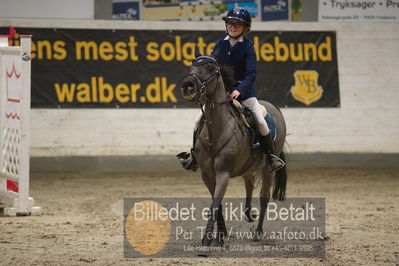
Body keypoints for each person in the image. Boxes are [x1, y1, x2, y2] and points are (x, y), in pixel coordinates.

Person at [177, 7, 284, 172]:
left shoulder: (248, 46)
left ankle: (270, 157)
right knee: (198, 120)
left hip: (244, 92)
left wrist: (239, 90)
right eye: (230, 23)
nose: (233, 27)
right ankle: (194, 156)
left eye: (237, 24)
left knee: (260, 120)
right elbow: (213, 67)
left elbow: (251, 74)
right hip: (223, 93)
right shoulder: (220, 44)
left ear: (245, 28)